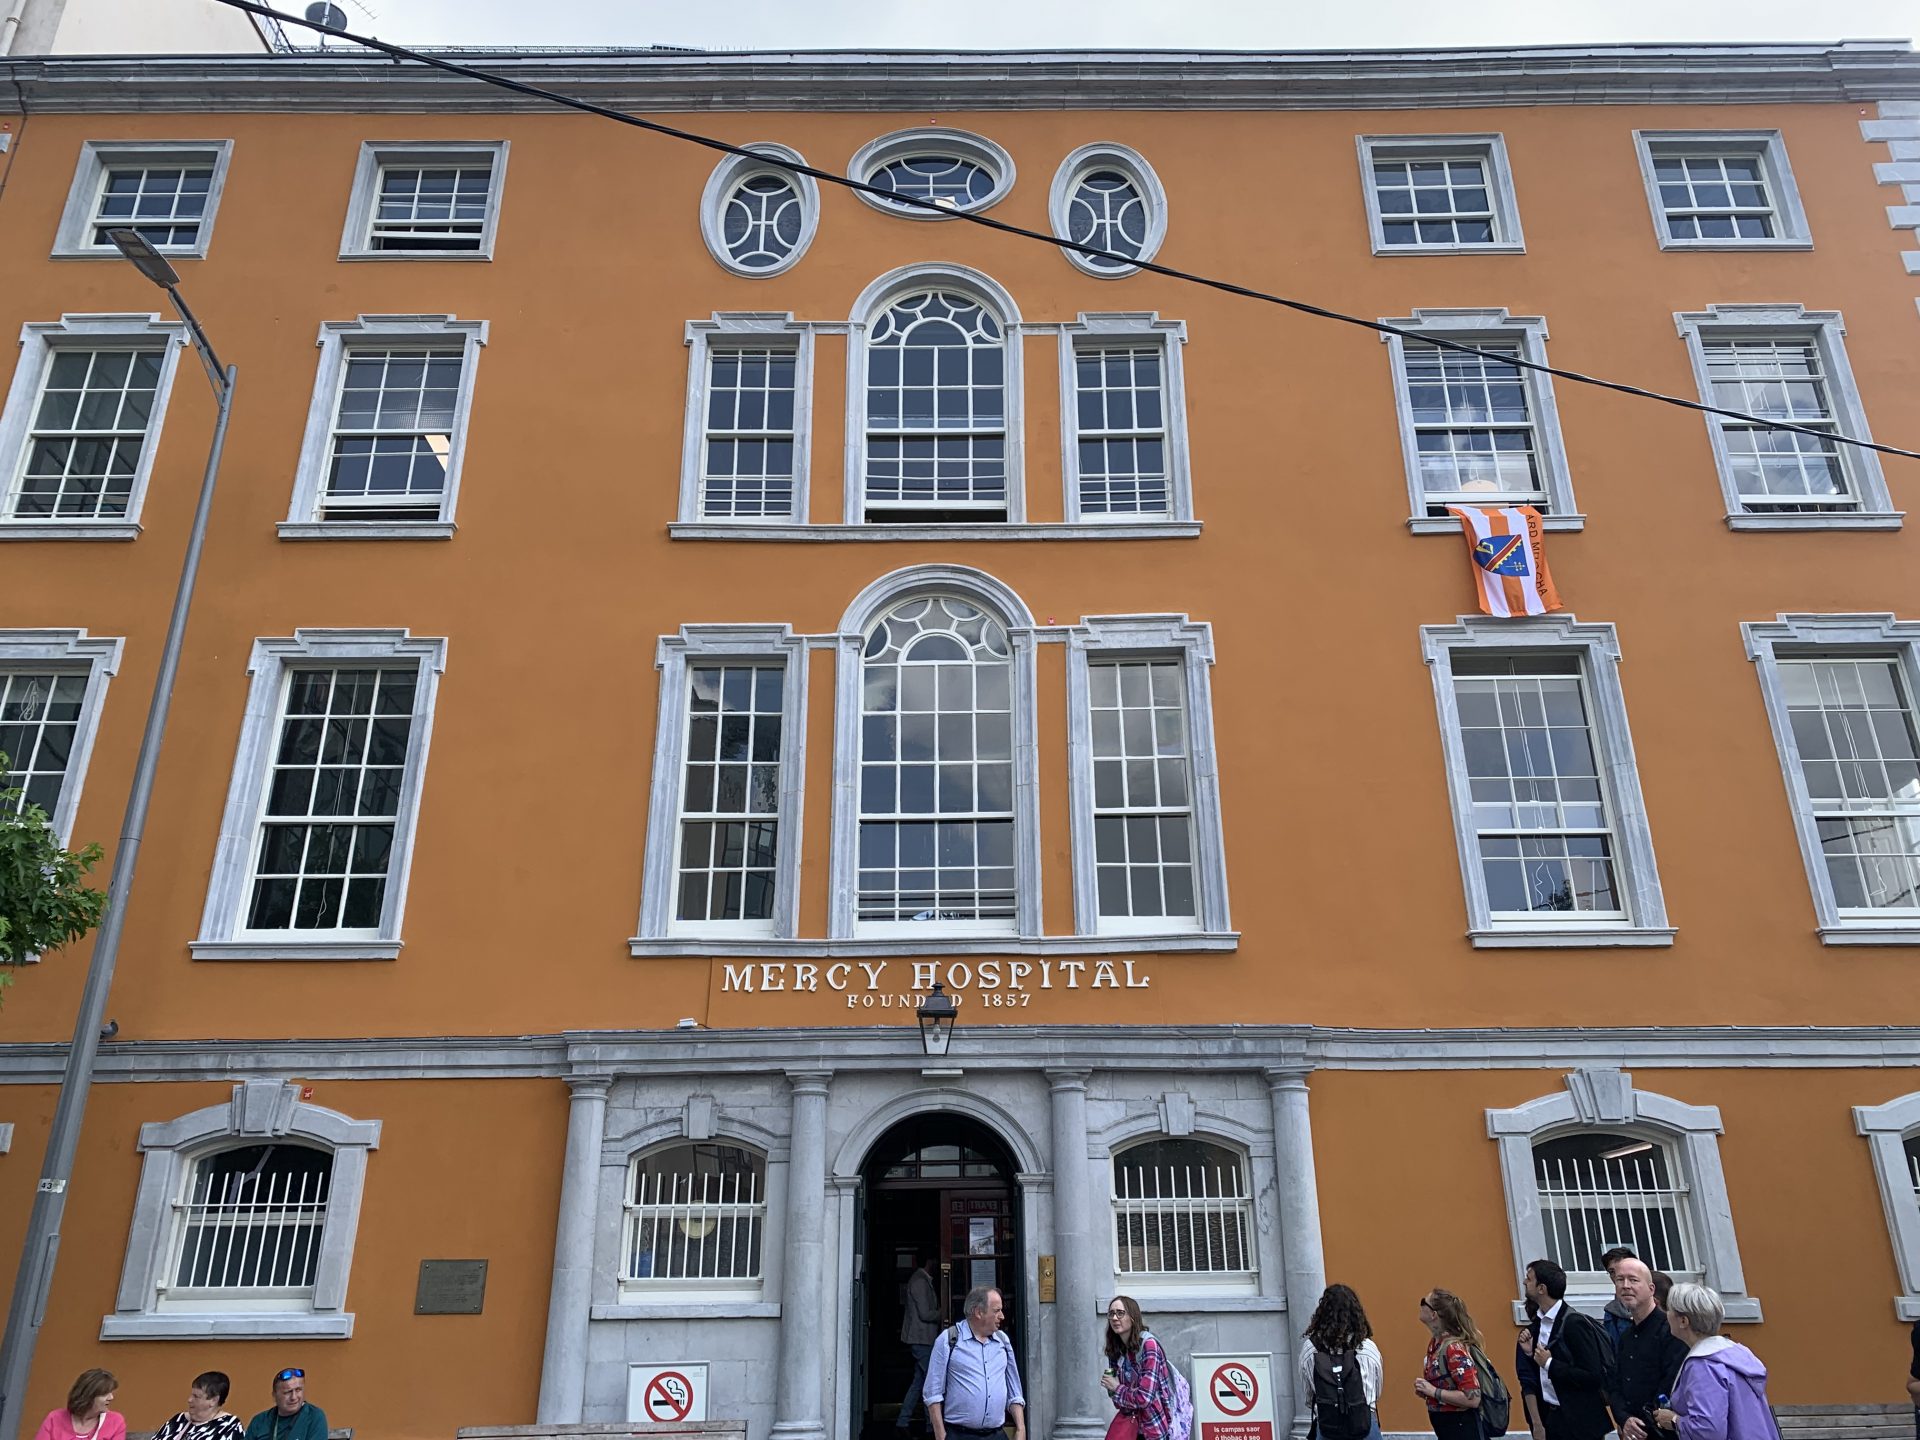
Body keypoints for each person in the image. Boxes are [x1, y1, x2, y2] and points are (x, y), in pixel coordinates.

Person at [1650, 1284, 1775, 1440]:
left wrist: (1674, 1420)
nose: (1666, 1314)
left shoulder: (1703, 1365)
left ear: (1683, 1321)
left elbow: (1708, 1431)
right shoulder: (1735, 1353)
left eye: (1669, 1309)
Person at [1517, 1260, 1614, 1440]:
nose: (1524, 1282)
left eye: (1529, 1279)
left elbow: (1592, 1376)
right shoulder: (1537, 1325)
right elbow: (1535, 1375)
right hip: (1553, 1418)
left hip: (1580, 1423)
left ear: (1542, 1288)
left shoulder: (1574, 1323)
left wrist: (1549, 1363)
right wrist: (1531, 1355)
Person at [924, 1286, 1026, 1440]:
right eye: (996, 1311)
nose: (1002, 1316)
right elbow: (932, 1393)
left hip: (996, 1434)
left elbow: (1014, 1390)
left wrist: (1020, 1429)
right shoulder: (949, 1339)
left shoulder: (1002, 1341)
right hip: (960, 1434)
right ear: (978, 1312)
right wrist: (941, 1436)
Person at [1606, 1259, 1687, 1440]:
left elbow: (1672, 1383)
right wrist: (1624, 1418)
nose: (1625, 1286)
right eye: (1620, 1279)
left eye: (1633, 1280)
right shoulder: (1626, 1336)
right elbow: (1615, 1383)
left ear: (1651, 1289)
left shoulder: (1672, 1330)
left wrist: (1642, 1421)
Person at [1298, 1284, 1382, 1440]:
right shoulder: (1367, 1348)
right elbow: (1375, 1392)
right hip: (1364, 1425)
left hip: (1328, 1426)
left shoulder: (1310, 1349)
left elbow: (1309, 1395)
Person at [1102, 1295, 1179, 1440]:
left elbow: (1145, 1398)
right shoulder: (1116, 1349)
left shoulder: (1149, 1346)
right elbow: (1117, 1402)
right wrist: (1116, 1390)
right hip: (1130, 1426)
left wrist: (1117, 1388)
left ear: (1132, 1317)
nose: (1114, 1318)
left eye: (1120, 1313)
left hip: (1153, 1428)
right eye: (1111, 1313)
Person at [1414, 1289, 1483, 1440]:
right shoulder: (1436, 1344)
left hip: (1462, 1428)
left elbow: (1473, 1398)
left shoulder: (1453, 1349)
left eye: (1423, 1302)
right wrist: (1428, 1391)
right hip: (1447, 1427)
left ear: (1434, 1314)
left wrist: (1434, 1391)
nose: (1420, 1306)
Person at [898, 1252, 943, 1435]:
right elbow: (925, 1314)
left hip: (922, 1339)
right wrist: (944, 1313)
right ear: (930, 1260)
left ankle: (903, 1421)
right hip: (921, 1340)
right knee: (931, 1382)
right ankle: (931, 1425)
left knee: (919, 1382)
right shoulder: (919, 1282)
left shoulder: (922, 1280)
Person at [33, 1370, 125, 1440]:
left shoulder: (115, 1422)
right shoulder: (55, 1418)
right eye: (105, 1394)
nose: (111, 1397)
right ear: (88, 1395)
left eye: (111, 1393)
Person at [154, 1373, 244, 1440]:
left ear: (213, 1400)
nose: (189, 1400)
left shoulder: (229, 1426)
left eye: (196, 1396)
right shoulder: (179, 1420)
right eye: (191, 1394)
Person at [244, 1369, 328, 1440]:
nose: (294, 1397)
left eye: (298, 1390)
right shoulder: (259, 1421)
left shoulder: (314, 1416)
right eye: (287, 1392)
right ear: (274, 1395)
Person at [1516, 1298, 1546, 1440]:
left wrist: (1537, 1424)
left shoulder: (1527, 1334)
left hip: (1542, 1410)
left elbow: (1527, 1383)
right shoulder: (1529, 1335)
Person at [1598, 1249, 1638, 1350]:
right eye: (1612, 1272)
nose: (1617, 1275)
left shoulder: (1655, 1299)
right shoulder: (1611, 1311)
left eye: (1622, 1269)